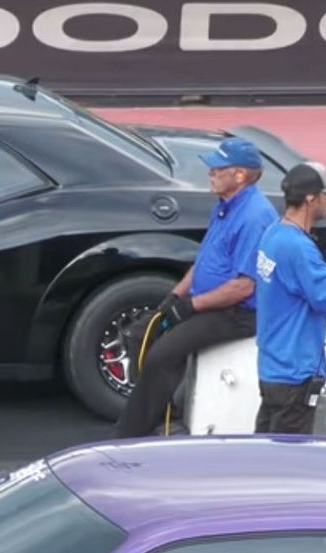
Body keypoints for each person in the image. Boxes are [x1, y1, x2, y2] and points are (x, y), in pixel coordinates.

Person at [114, 137, 278, 438]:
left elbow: (242, 287)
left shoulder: (255, 217)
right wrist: (174, 297)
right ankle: (165, 415)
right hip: (212, 303)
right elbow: (204, 262)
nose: (210, 173)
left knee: (162, 355)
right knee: (141, 333)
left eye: (217, 168)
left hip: (237, 314)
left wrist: (190, 307)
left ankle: (131, 433)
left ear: (239, 175)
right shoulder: (226, 207)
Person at [251, 161, 326, 435]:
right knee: (287, 465)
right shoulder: (298, 247)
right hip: (294, 374)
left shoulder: (274, 233)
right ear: (311, 198)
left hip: (272, 368)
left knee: (262, 455)